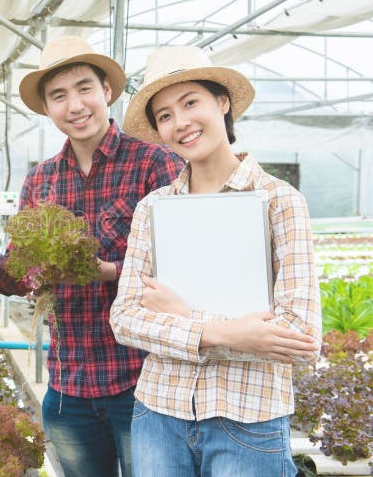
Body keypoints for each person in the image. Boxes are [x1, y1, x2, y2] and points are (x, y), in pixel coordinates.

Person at [0, 36, 184, 477]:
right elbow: (19, 278)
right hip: (68, 385)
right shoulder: (39, 181)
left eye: (84, 89)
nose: (75, 105)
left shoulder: (154, 164)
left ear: (107, 92)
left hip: (140, 383)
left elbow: (179, 269)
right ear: (46, 108)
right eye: (59, 96)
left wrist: (106, 271)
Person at [110, 45, 321, 476]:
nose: (180, 122)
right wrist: (229, 331)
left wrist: (183, 317)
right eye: (165, 115)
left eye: (190, 102)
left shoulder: (279, 202)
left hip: (249, 418)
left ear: (222, 102)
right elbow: (125, 318)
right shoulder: (153, 208)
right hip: (159, 412)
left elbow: (299, 337)